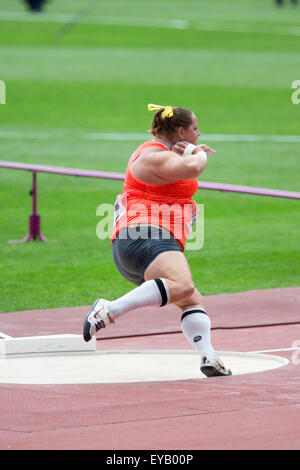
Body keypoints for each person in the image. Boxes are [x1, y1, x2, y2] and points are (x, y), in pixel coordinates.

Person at [83, 103, 232, 378]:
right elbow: (192, 168)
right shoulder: (153, 157)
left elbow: (176, 180)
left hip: (140, 241)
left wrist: (188, 152)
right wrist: (197, 153)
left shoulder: (164, 155)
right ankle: (109, 309)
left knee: (189, 297)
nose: (199, 134)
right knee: (183, 284)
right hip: (145, 235)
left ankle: (209, 356)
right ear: (180, 131)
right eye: (195, 129)